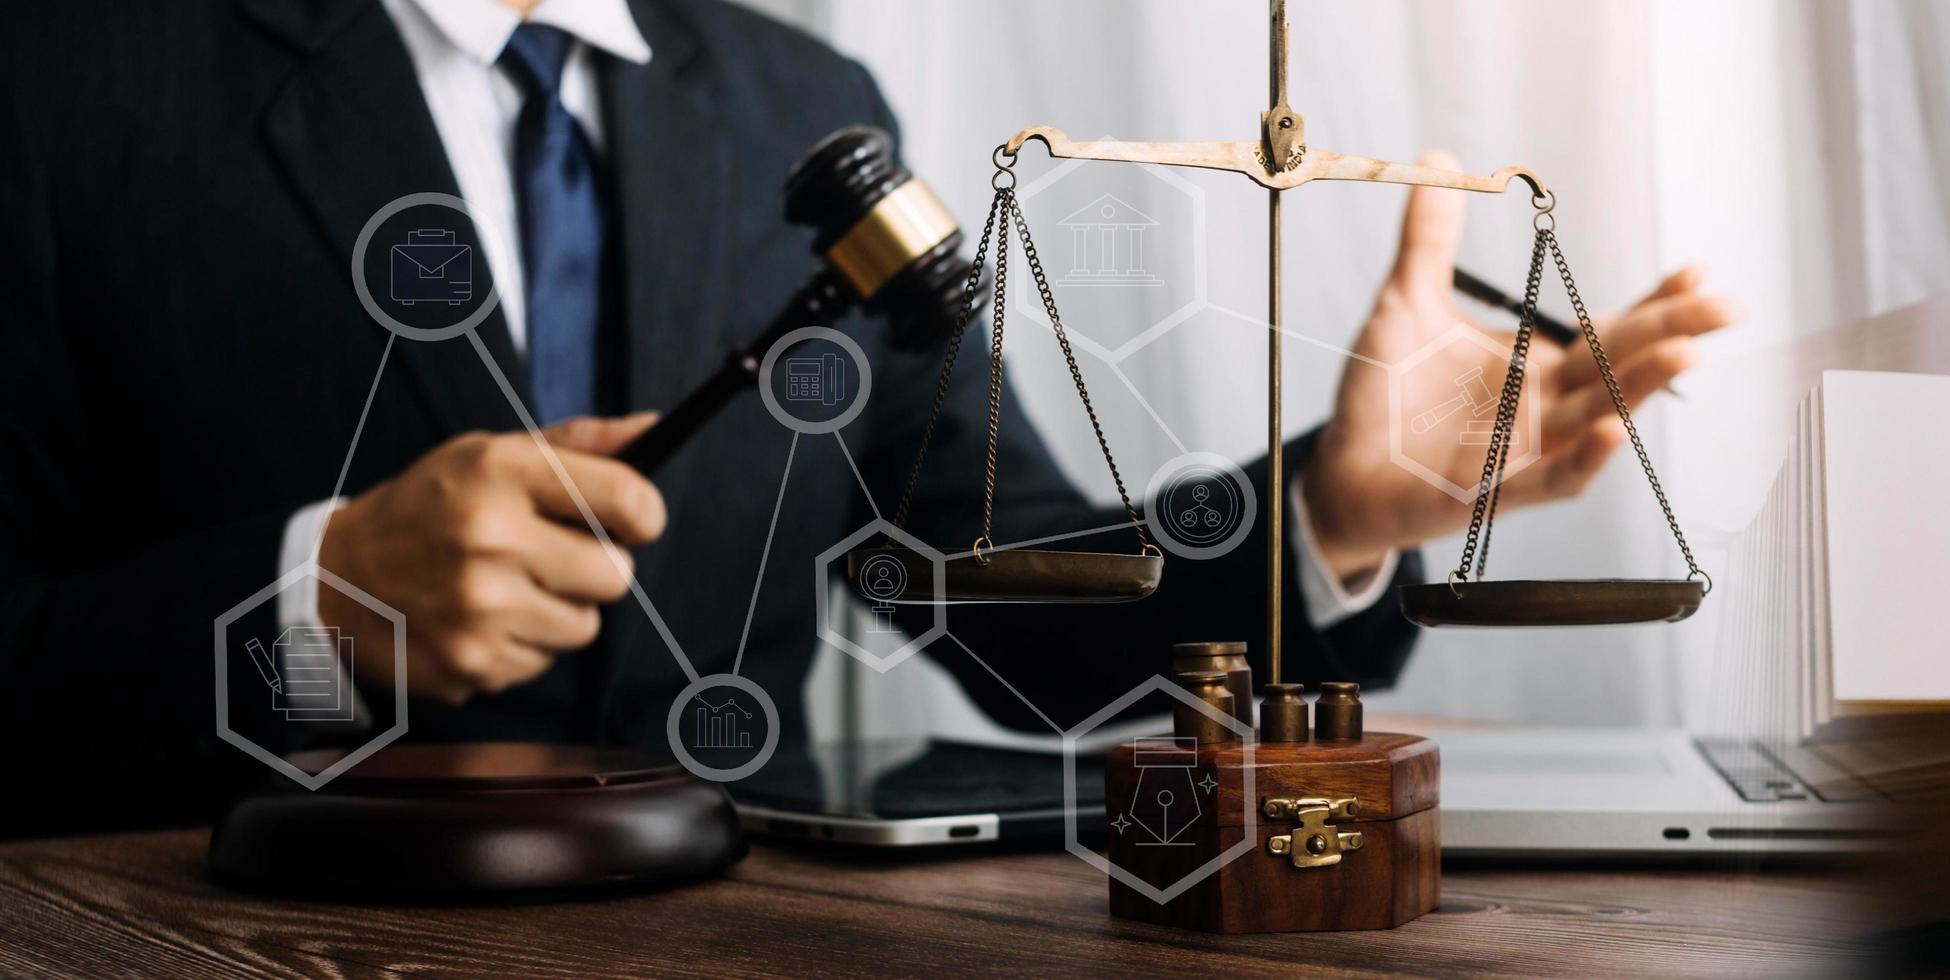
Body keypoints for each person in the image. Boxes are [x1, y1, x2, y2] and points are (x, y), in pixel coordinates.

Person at [0, 0, 1732, 835]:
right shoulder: (65, 76)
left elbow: (1010, 601)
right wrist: (318, 604)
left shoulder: (805, 105)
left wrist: (1337, 513)